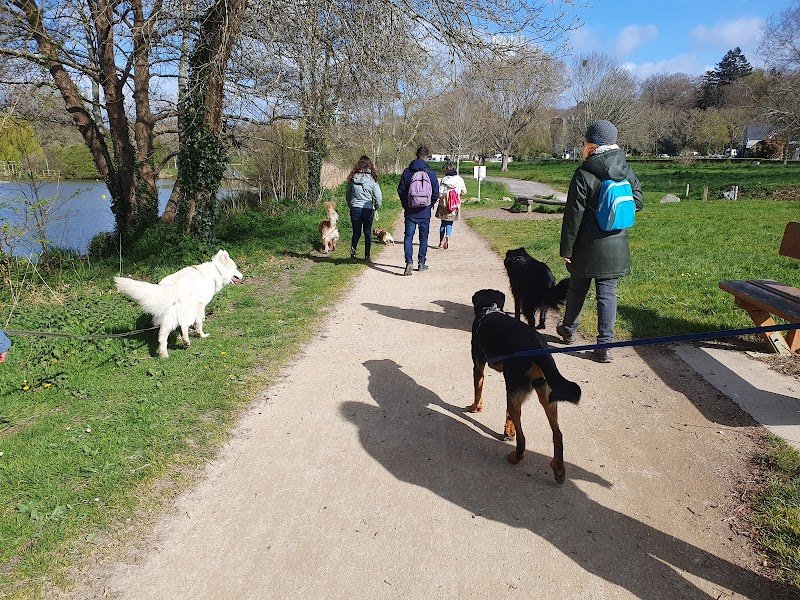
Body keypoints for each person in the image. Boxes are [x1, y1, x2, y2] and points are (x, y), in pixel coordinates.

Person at [557, 120, 643, 363]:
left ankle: (568, 330)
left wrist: (567, 248)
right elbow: (638, 201)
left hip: (586, 246)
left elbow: (573, 216)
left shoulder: (584, 173)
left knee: (577, 288)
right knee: (607, 294)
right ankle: (605, 346)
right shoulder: (626, 170)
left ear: (591, 143)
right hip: (616, 243)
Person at [397, 145, 439, 275]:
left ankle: (409, 262)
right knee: (423, 238)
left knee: (408, 237)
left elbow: (400, 190)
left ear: (416, 156)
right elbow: (436, 193)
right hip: (425, 212)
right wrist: (429, 205)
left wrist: (406, 205)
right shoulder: (430, 174)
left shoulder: (407, 172)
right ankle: (421, 263)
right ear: (427, 157)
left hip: (410, 212)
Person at [345, 155, 383, 263]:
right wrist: (376, 207)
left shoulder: (352, 178)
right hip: (367, 209)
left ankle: (353, 255)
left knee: (356, 232)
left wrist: (350, 205)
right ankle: (367, 256)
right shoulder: (372, 179)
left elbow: (348, 195)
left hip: (355, 208)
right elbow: (378, 197)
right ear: (369, 165)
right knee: (367, 233)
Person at [435, 162, 467, 249]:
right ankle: (448, 236)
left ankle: (441, 242)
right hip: (454, 205)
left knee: (443, 223)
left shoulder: (444, 179)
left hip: (444, 204)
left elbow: (440, 193)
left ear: (446, 170)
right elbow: (464, 191)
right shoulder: (460, 179)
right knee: (450, 223)